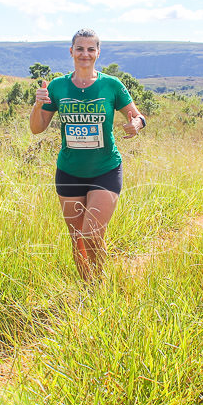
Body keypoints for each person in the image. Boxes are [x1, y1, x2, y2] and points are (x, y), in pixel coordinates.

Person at [29, 29, 146, 281]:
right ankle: (87, 288)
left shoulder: (112, 85)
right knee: (77, 239)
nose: (85, 54)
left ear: (98, 53)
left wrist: (136, 125)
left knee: (92, 233)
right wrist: (38, 104)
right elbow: (37, 128)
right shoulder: (58, 86)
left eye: (90, 49)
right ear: (71, 52)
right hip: (69, 172)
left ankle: (101, 282)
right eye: (80, 49)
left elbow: (138, 116)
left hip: (105, 169)